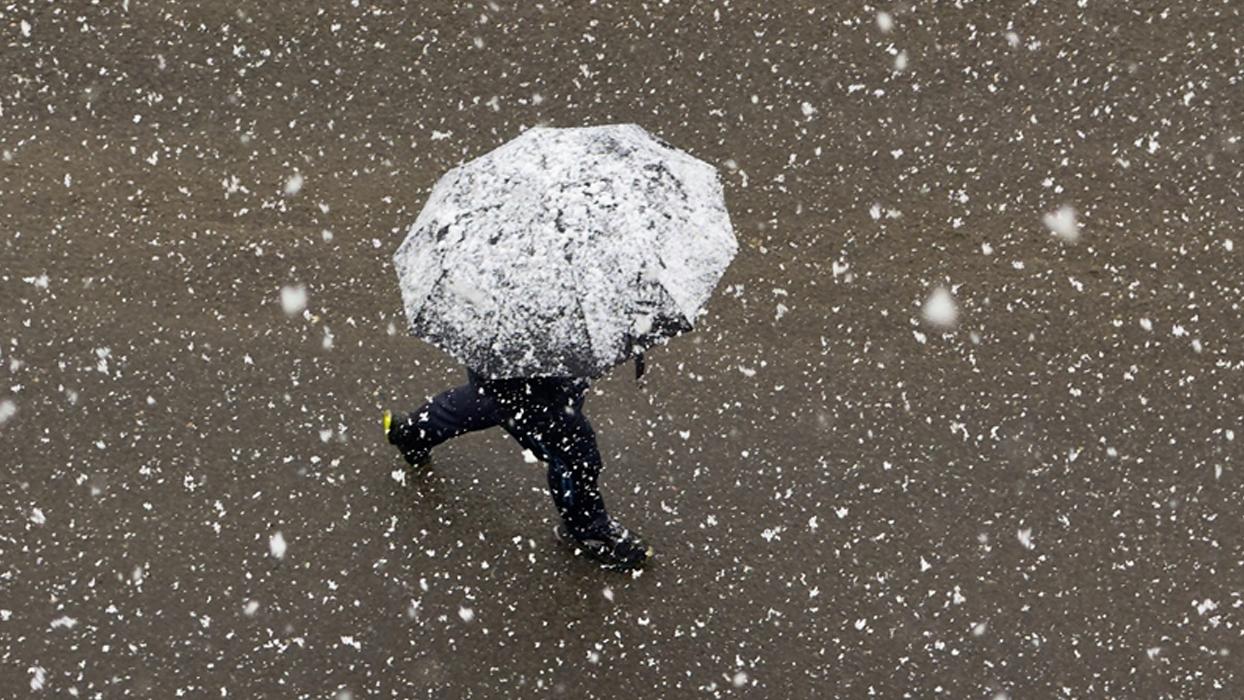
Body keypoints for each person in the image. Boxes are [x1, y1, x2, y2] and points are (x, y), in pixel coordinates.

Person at [384, 369, 652, 572]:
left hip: (514, 365)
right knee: (573, 454)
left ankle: (411, 432)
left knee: (487, 397)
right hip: (537, 386)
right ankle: (587, 528)